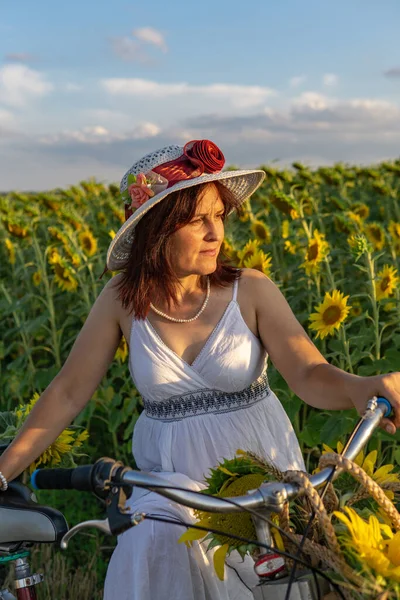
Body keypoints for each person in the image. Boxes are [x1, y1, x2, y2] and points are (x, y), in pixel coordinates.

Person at [0, 139, 399, 600]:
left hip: (258, 478)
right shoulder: (121, 301)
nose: (216, 234)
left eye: (220, 217)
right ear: (157, 229)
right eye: (198, 220)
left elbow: (309, 373)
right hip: (171, 488)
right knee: (153, 544)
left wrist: (361, 387)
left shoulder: (249, 290)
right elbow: (68, 392)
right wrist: (3, 471)